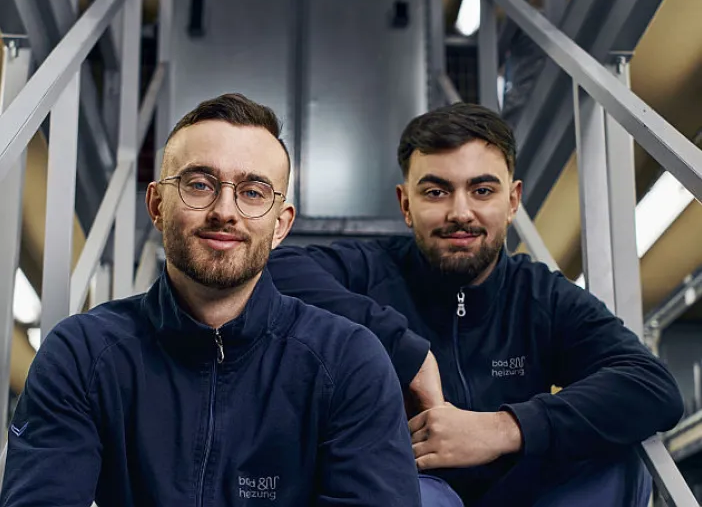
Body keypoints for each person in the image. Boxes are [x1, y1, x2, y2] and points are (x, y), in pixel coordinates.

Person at [0, 94, 421, 507]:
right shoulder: (82, 354)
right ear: (157, 206)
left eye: (253, 192)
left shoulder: (349, 361)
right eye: (199, 185)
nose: (224, 210)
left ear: (281, 226)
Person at [268, 102, 685, 506]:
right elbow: (272, 267)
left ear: (513, 201)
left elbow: (652, 386)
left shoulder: (540, 295)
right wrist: (404, 350)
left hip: (523, 489)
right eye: (436, 191)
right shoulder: (370, 270)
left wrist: (504, 428)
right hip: (417, 486)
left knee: (618, 459)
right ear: (406, 204)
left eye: (482, 190)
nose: (460, 212)